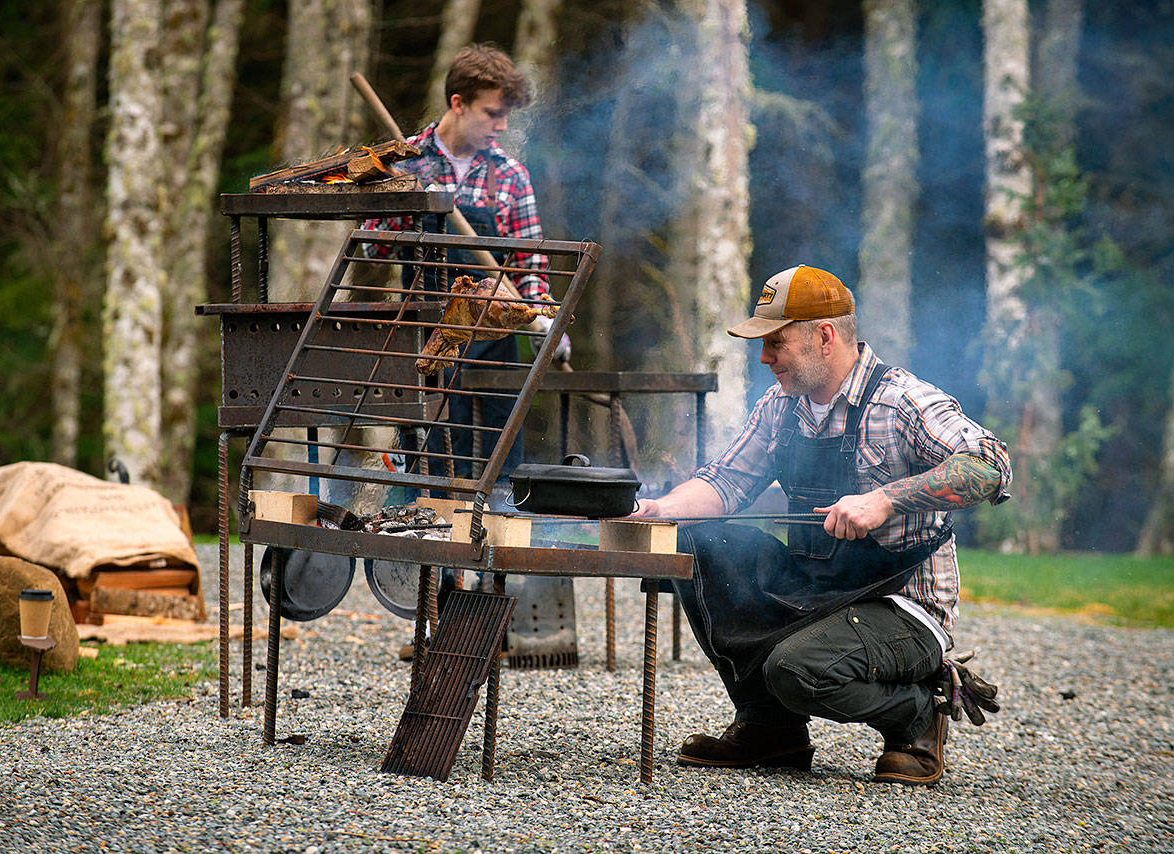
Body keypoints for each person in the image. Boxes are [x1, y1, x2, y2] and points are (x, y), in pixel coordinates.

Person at [631, 264, 1011, 785]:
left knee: (794, 669)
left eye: (775, 344)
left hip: (904, 606)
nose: (764, 358)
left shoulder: (902, 401)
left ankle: (919, 716)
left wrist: (886, 500)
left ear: (824, 337)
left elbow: (990, 465)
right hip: (816, 593)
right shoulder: (780, 407)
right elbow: (724, 483)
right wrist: (662, 507)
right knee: (700, 542)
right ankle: (771, 729)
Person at [364, 44, 569, 658]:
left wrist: (545, 325)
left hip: (497, 343)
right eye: (492, 113)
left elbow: (530, 267)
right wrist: (400, 205)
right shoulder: (407, 162)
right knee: (435, 474)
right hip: (429, 342)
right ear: (458, 103)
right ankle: (438, 621)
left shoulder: (508, 175)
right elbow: (373, 250)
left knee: (499, 473)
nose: (502, 127)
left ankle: (493, 621)